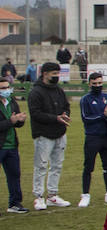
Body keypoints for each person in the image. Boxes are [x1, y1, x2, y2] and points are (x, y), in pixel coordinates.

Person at [27, 62, 71, 210]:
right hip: (43, 134)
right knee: (41, 165)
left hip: (60, 133)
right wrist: (55, 118)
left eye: (58, 74)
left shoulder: (59, 90)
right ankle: (38, 196)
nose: (57, 77)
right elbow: (35, 113)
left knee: (57, 165)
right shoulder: (36, 92)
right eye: (54, 74)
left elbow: (66, 106)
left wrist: (65, 116)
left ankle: (52, 195)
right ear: (45, 74)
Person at [79, 73, 107, 207]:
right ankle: (85, 194)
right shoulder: (85, 99)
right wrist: (103, 115)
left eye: (100, 83)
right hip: (92, 137)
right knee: (88, 166)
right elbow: (86, 118)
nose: (97, 86)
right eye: (95, 84)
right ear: (89, 84)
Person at [0, 76, 28, 212]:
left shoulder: (11, 102)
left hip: (11, 145)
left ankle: (15, 203)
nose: (6, 90)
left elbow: (17, 122)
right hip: (1, 145)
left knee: (14, 175)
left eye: (7, 87)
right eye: (3, 88)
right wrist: (10, 121)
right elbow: (8, 122)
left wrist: (20, 120)